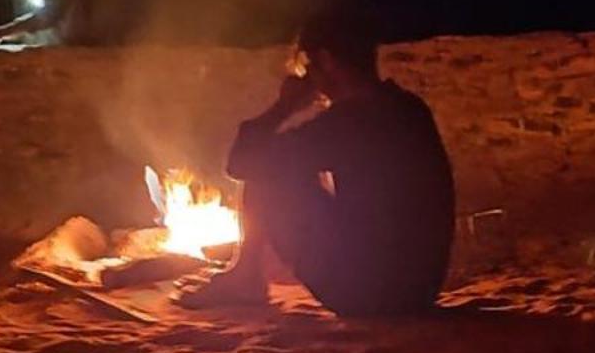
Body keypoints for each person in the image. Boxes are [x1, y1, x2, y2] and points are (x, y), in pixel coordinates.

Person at [176, 19, 455, 315]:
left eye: (307, 67)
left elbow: (241, 163)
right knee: (277, 162)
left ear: (326, 61)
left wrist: (283, 108)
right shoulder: (408, 108)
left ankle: (246, 278)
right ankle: (245, 276)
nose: (308, 77)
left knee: (266, 169)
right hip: (420, 290)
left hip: (370, 295)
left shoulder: (351, 121)